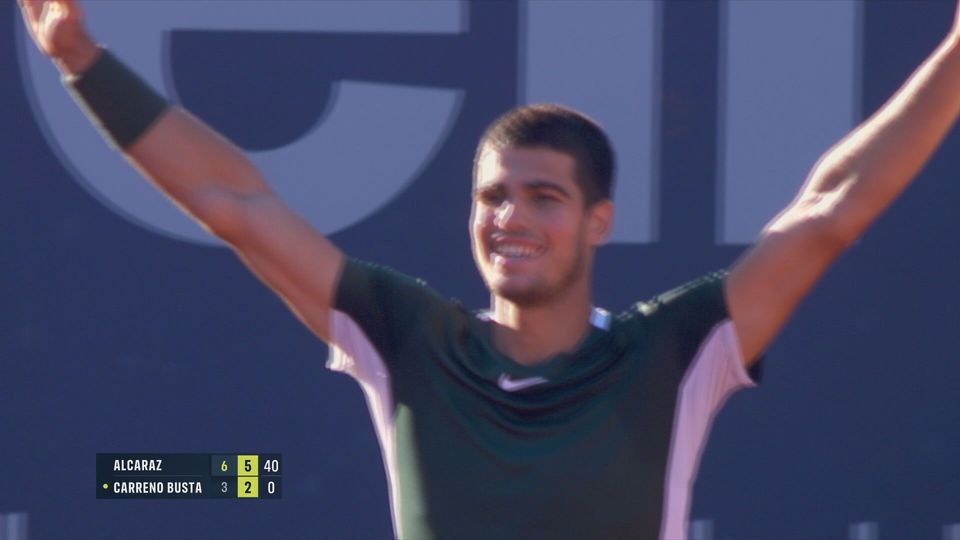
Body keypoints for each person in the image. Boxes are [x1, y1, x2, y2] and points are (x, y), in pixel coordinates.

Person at [18, 0, 960, 538]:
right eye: (493, 197)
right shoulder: (405, 338)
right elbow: (233, 202)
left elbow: (831, 211)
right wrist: (82, 63)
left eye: (543, 197)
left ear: (598, 221)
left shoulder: (672, 353)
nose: (510, 219)